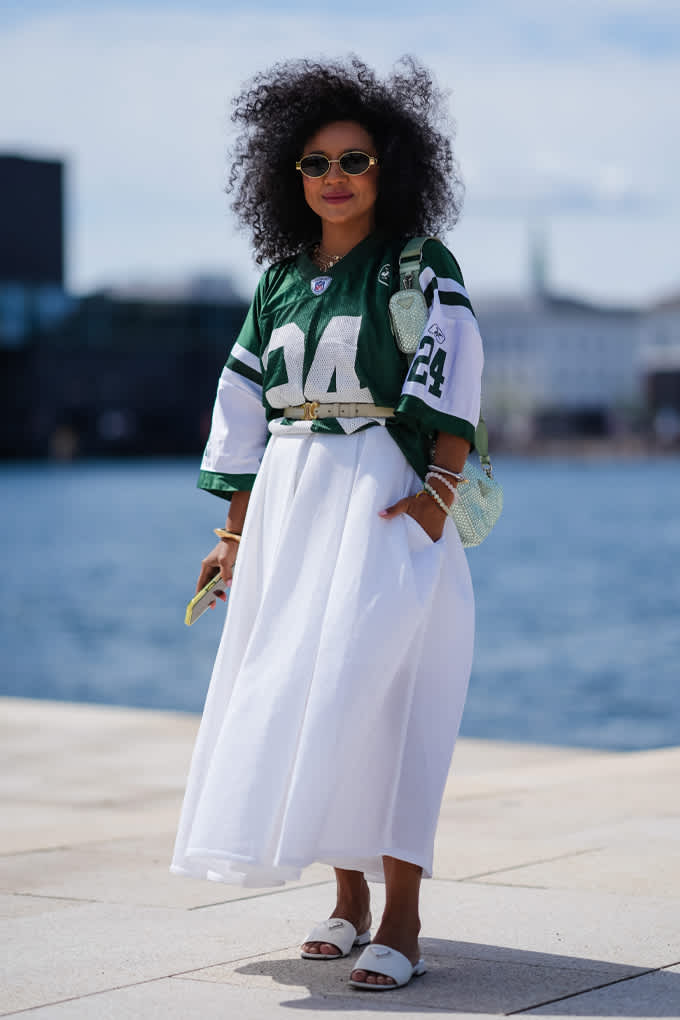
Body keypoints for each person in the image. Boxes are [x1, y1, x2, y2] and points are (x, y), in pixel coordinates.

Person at [171, 56, 484, 991]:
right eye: (315, 163)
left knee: (388, 701)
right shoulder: (276, 279)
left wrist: (436, 491)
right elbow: (243, 413)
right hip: (291, 504)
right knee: (309, 699)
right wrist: (233, 537)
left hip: (384, 497)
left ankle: (404, 920)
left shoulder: (419, 263)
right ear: (288, 175)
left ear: (392, 165)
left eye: (354, 159)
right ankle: (346, 902)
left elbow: (455, 366)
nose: (335, 178)